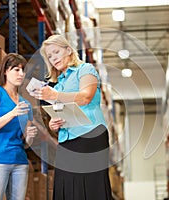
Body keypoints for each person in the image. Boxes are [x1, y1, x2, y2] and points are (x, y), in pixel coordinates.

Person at [33, 34, 112, 200]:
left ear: (68, 50)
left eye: (56, 52)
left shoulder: (85, 70)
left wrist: (55, 96)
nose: (54, 58)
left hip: (90, 134)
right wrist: (55, 123)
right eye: (50, 56)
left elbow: (85, 97)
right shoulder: (59, 83)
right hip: (67, 139)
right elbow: (64, 110)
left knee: (90, 187)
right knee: (66, 187)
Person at [0, 53, 38, 200]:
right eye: (16, 69)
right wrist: (12, 114)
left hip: (20, 162)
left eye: (23, 70)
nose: (21, 74)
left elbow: (26, 143)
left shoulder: (26, 104)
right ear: (5, 71)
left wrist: (30, 137)